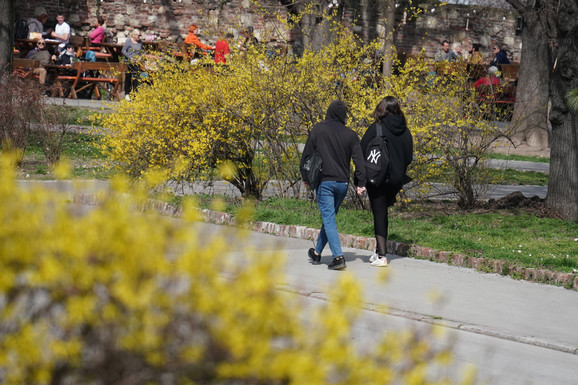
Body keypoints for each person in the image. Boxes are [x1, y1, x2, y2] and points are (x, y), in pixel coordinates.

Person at [300, 100, 367, 270]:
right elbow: (359, 161)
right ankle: (316, 254)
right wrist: (360, 182)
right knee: (328, 219)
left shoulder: (318, 129)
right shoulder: (350, 135)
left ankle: (338, 257)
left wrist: (305, 176)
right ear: (344, 116)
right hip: (342, 185)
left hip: (325, 183)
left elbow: (307, 155)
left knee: (328, 219)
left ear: (328, 112)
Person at [360, 96, 413, 267]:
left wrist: (359, 178)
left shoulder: (377, 127)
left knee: (380, 213)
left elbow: (361, 151)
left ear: (381, 110)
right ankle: (377, 251)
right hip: (397, 180)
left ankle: (382, 256)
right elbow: (409, 156)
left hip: (378, 177)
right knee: (383, 212)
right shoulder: (406, 131)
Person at [122, 30, 143, 101]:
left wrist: (140, 57)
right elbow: (124, 50)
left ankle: (135, 93)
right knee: (128, 76)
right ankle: (127, 93)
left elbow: (141, 51)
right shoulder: (128, 41)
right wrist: (129, 57)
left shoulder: (140, 42)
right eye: (138, 35)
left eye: (140, 35)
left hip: (136, 62)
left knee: (137, 77)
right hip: (129, 61)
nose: (139, 37)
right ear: (134, 35)